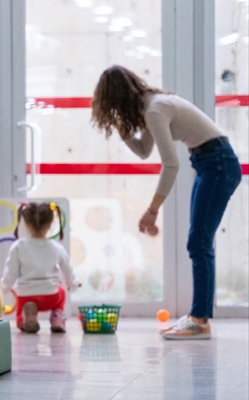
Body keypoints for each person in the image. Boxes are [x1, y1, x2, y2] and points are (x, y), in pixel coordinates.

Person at [91, 65, 242, 340]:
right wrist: (121, 129)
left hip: (217, 164)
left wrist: (152, 211)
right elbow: (143, 151)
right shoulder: (151, 107)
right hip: (209, 162)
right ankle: (199, 317)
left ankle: (199, 320)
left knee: (198, 242)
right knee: (199, 241)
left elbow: (171, 165)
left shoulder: (155, 109)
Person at [0, 202, 79, 334]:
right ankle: (57, 318)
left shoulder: (18, 246)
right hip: (51, 296)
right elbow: (67, 268)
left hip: (26, 296)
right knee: (61, 292)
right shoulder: (56, 247)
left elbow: (11, 272)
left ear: (25, 224)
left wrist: (3, 288)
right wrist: (73, 283)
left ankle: (27, 318)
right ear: (49, 225)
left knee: (20, 321)